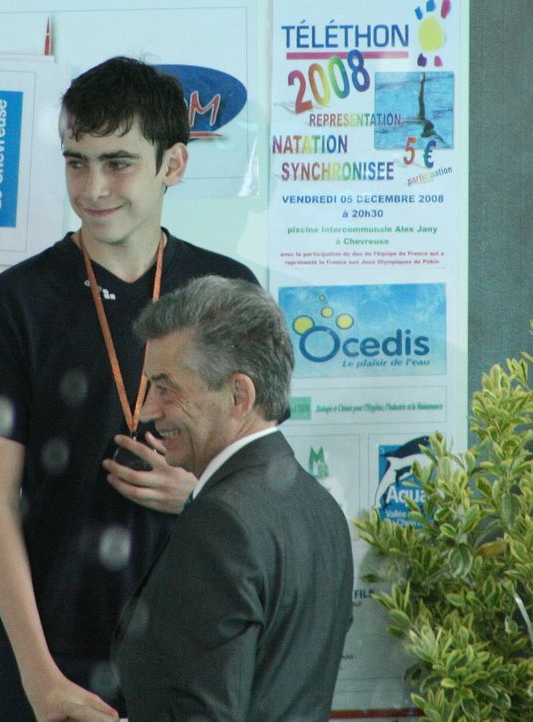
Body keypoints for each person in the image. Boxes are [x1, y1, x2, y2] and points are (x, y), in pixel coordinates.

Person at [0, 56, 257, 722]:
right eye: (76, 162)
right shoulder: (14, 303)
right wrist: (38, 675)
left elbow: (260, 483)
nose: (93, 187)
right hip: (53, 657)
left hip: (199, 655)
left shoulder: (227, 294)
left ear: (173, 164)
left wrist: (198, 497)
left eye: (118, 162)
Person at [113, 275, 353, 722]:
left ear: (239, 396)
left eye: (165, 388)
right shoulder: (321, 508)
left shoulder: (219, 523)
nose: (147, 411)